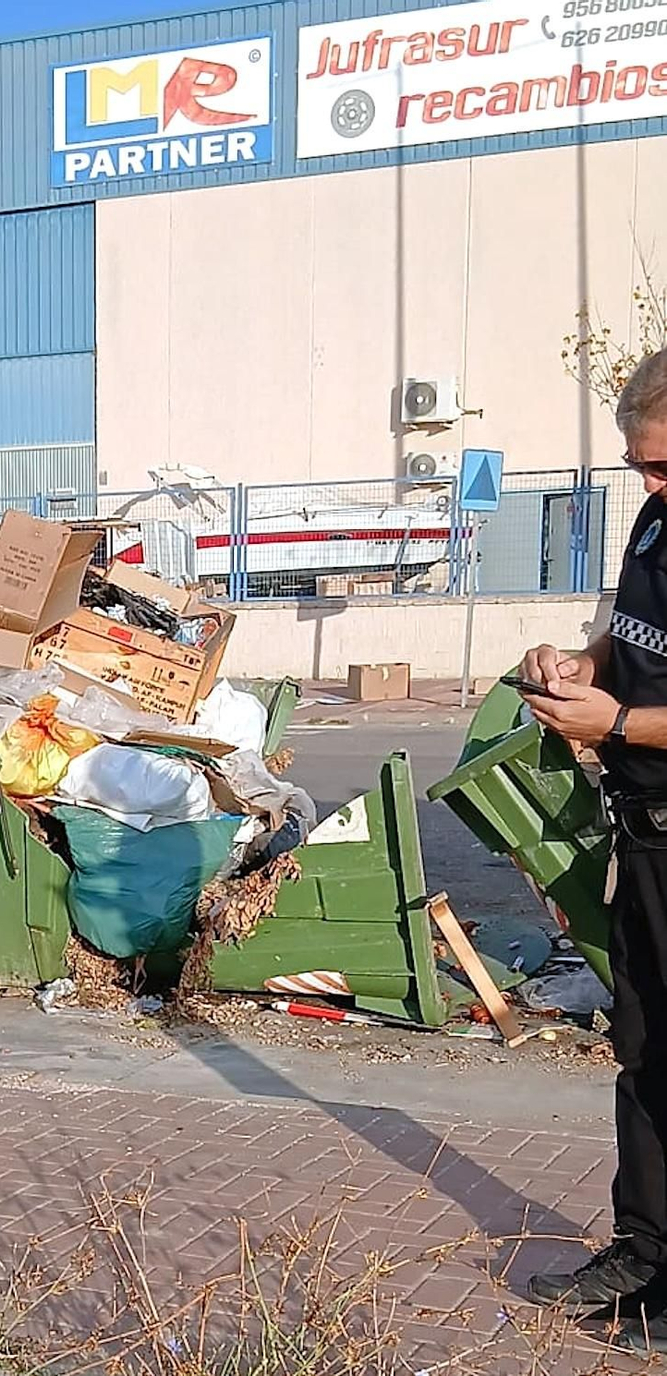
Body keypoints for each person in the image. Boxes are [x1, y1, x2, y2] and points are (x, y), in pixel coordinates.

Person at [520, 347, 667, 1347]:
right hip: (644, 839)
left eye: (661, 465)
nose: (647, 484)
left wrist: (612, 723)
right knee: (644, 1056)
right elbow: (628, 638)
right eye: (637, 464)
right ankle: (644, 1255)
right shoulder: (656, 521)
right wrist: (580, 661)